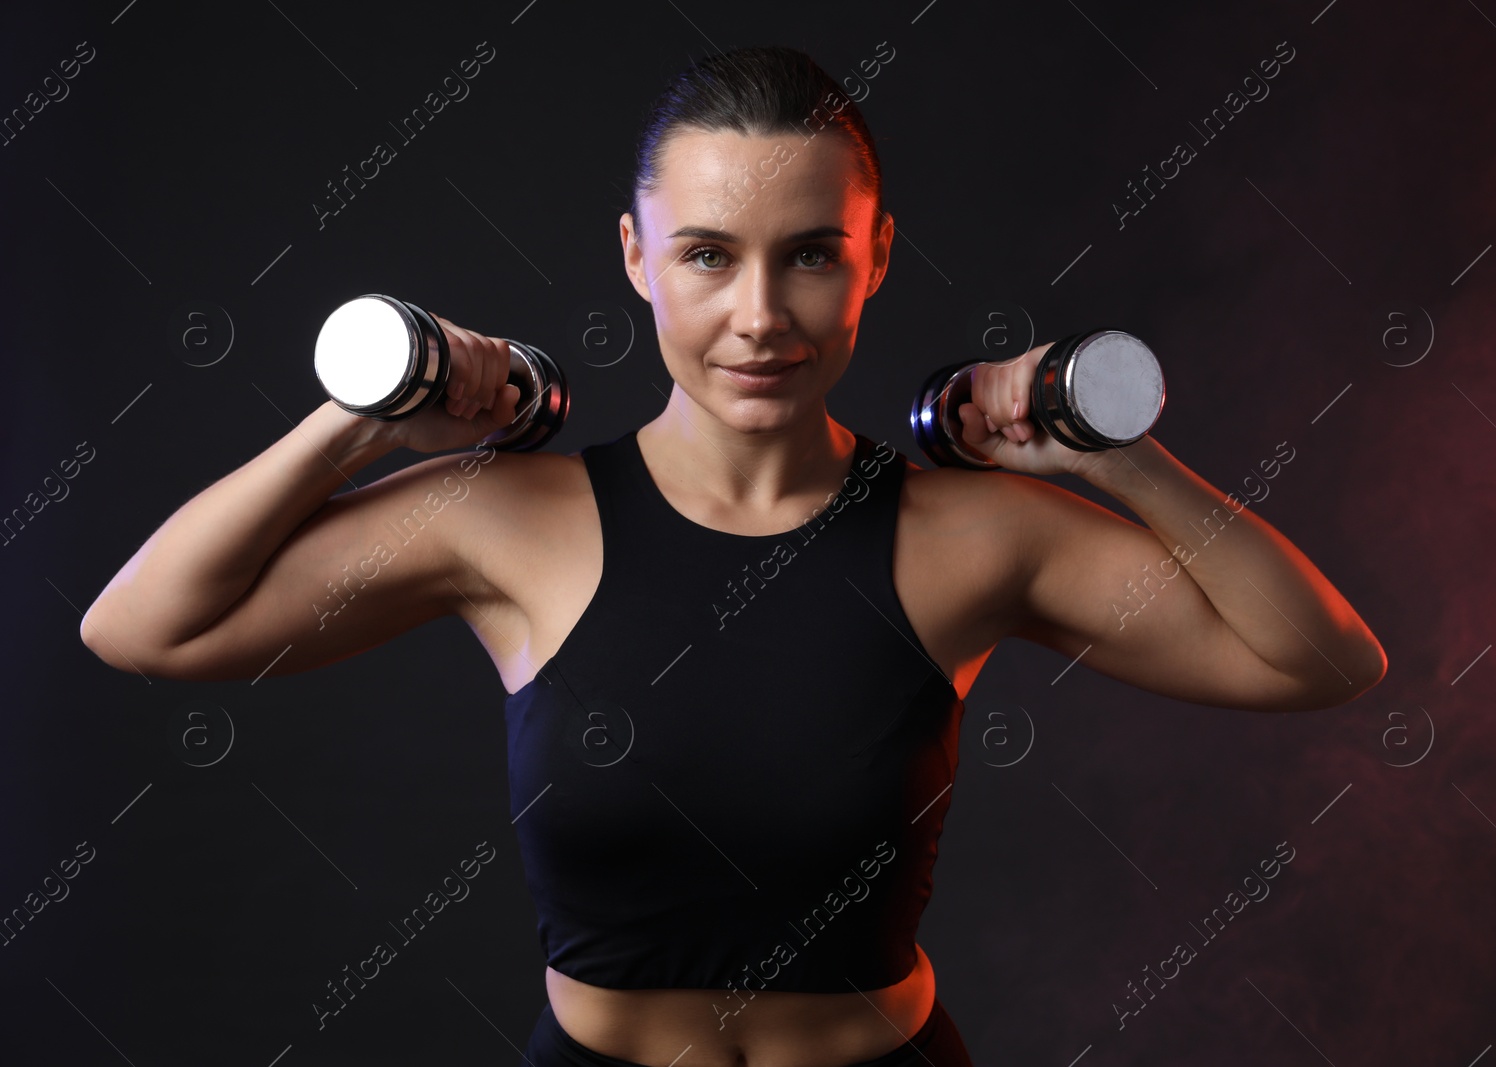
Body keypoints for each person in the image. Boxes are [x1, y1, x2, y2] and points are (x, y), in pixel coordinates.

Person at [80, 45, 1386, 1067]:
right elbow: (146, 629)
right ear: (638, 258)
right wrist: (359, 424)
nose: (759, 317)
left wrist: (1106, 452)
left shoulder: (974, 534)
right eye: (707, 256)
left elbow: (1322, 661)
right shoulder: (500, 518)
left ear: (875, 258)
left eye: (812, 256)